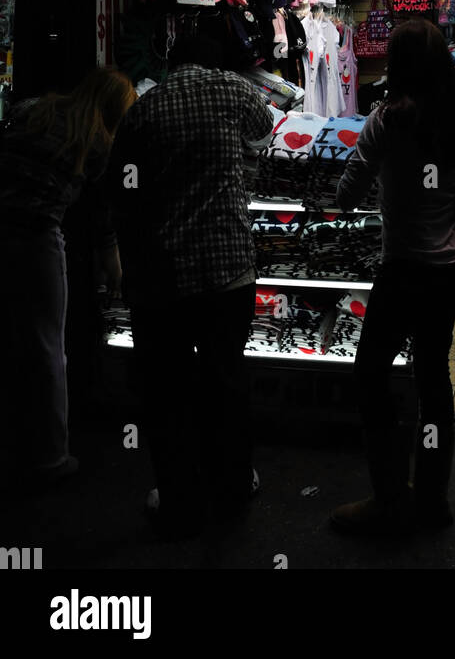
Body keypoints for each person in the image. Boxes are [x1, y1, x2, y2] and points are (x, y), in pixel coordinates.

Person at [107, 34, 273, 539]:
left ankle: (179, 497)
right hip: (227, 269)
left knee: (168, 391)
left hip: (165, 276)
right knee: (227, 379)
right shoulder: (235, 91)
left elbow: (125, 187)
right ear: (214, 59)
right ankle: (233, 483)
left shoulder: (145, 108)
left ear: (170, 61)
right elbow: (265, 129)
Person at [330, 19, 455, 537]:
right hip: (449, 268)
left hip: (403, 269)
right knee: (433, 380)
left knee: (370, 376)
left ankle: (389, 497)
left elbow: (348, 192)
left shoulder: (387, 120)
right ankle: (433, 499)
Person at [0, 69, 136, 490]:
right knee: (46, 347)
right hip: (35, 234)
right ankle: (50, 456)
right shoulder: (98, 143)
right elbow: (101, 215)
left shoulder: (31, 110)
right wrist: (113, 262)